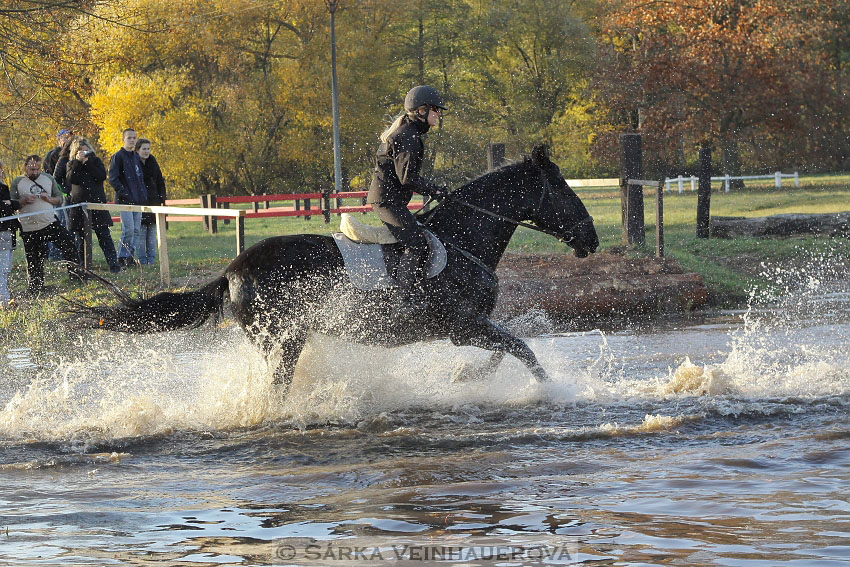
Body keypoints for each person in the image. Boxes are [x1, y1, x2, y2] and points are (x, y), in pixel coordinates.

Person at [367, 85, 449, 312]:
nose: (439, 114)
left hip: (391, 200)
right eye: (436, 110)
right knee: (417, 243)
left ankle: (415, 289)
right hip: (386, 202)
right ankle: (403, 299)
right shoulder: (408, 136)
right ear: (421, 110)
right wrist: (435, 190)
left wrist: (434, 189)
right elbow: (407, 179)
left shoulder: (410, 133)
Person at [10, 155, 82, 295]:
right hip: (29, 227)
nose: (35, 172)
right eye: (31, 169)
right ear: (25, 167)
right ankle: (36, 288)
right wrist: (22, 201)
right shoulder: (17, 182)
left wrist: (49, 198)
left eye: (37, 169)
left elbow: (60, 199)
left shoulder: (48, 179)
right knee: (34, 259)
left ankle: (77, 276)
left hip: (49, 223)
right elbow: (11, 204)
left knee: (69, 244)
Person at [66, 137, 121, 273]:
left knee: (104, 236)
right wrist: (78, 163)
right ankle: (83, 268)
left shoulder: (96, 162)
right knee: (81, 239)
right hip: (79, 205)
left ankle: (114, 266)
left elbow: (101, 176)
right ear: (75, 152)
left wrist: (88, 162)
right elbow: (72, 179)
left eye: (86, 150)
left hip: (97, 204)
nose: (84, 153)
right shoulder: (71, 164)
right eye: (80, 151)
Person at [108, 128, 147, 267]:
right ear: (123, 139)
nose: (132, 140)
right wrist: (124, 192)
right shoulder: (118, 156)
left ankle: (130, 256)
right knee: (128, 229)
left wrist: (143, 195)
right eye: (129, 138)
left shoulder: (137, 157)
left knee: (136, 230)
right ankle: (121, 257)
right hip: (125, 200)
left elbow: (140, 178)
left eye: (134, 137)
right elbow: (113, 178)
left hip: (138, 200)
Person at [135, 138, 166, 266]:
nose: (146, 151)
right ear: (138, 150)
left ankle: (151, 259)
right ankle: (142, 260)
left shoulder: (152, 161)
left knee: (152, 232)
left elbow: (160, 180)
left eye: (148, 149)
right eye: (144, 149)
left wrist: (162, 198)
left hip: (153, 200)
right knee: (141, 232)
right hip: (139, 200)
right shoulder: (134, 163)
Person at [45, 129, 73, 259]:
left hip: (72, 195)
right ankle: (54, 254)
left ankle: (69, 253)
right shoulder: (53, 155)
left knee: (69, 225)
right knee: (58, 223)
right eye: (65, 137)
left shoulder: (73, 155)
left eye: (70, 137)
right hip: (56, 196)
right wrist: (59, 192)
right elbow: (50, 177)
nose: (68, 140)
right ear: (59, 139)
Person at [0, 159, 21, 308]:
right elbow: (3, 209)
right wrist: (9, 205)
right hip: (2, 232)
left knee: (6, 269)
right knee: (2, 269)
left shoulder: (2, 187)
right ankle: (3, 300)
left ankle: (5, 297)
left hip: (8, 231)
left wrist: (12, 204)